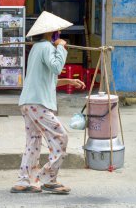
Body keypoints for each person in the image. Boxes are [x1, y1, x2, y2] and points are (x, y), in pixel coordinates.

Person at [11, 12, 86, 194]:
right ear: (51, 33)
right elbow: (56, 67)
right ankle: (48, 177)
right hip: (37, 104)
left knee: (33, 142)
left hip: (29, 103)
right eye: (58, 32)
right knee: (61, 137)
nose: (59, 35)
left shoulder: (38, 48)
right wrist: (61, 48)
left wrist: (68, 81)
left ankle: (24, 181)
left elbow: (47, 79)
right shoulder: (46, 47)